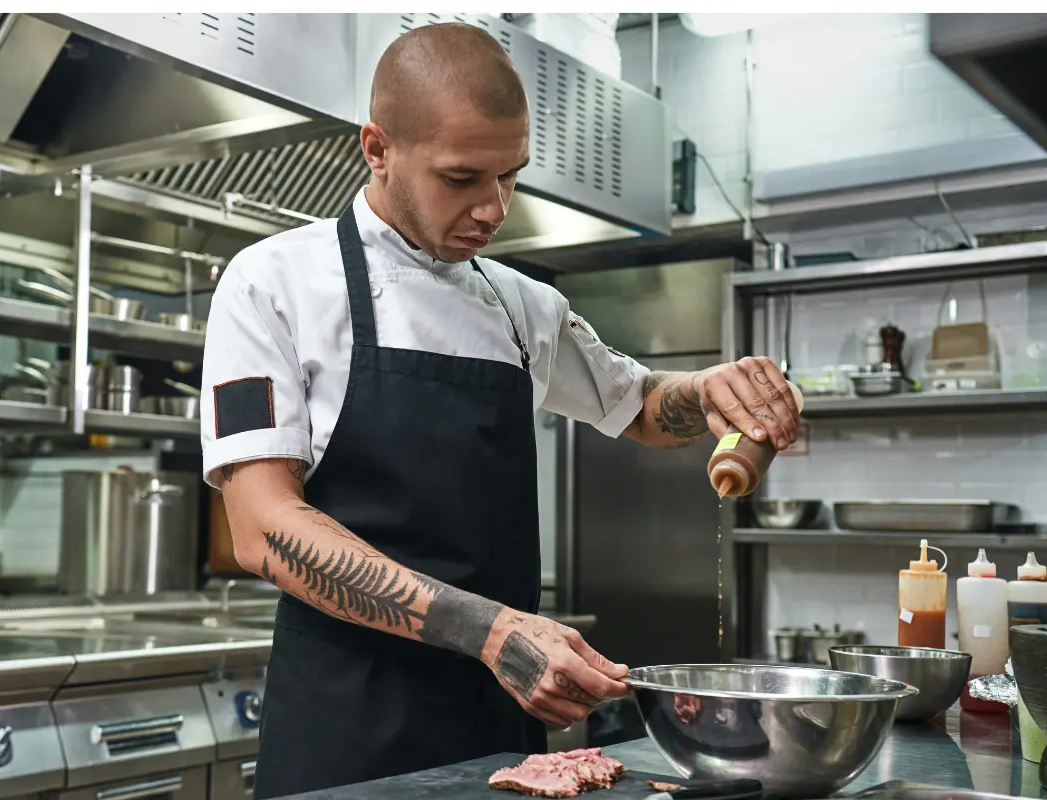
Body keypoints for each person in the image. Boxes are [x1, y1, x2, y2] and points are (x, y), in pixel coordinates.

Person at [201, 22, 800, 799]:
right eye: (461, 178)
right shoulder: (272, 284)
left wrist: (712, 389)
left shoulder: (523, 307)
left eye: (510, 176)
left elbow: (645, 407)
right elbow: (264, 528)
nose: (494, 209)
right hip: (345, 729)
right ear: (377, 149)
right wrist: (489, 630)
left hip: (503, 730)